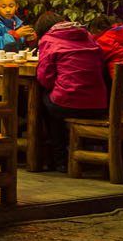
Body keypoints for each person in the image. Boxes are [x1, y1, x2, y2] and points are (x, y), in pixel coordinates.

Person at [34, 12, 109, 172]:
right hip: (99, 105)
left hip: (68, 104)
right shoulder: (87, 36)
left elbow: (44, 78)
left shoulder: (48, 40)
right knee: (56, 102)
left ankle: (58, 159)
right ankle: (79, 156)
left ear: (43, 31)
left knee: (46, 104)